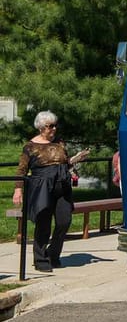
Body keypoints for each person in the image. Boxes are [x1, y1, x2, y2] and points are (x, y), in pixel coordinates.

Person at [12, 111, 89, 272]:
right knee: (43, 224)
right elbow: (22, 170)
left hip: (62, 186)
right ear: (41, 128)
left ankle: (53, 254)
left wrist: (75, 159)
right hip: (41, 187)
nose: (54, 129)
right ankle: (40, 259)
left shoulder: (59, 143)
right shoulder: (30, 146)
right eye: (50, 126)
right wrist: (18, 190)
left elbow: (65, 163)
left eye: (55, 125)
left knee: (64, 221)